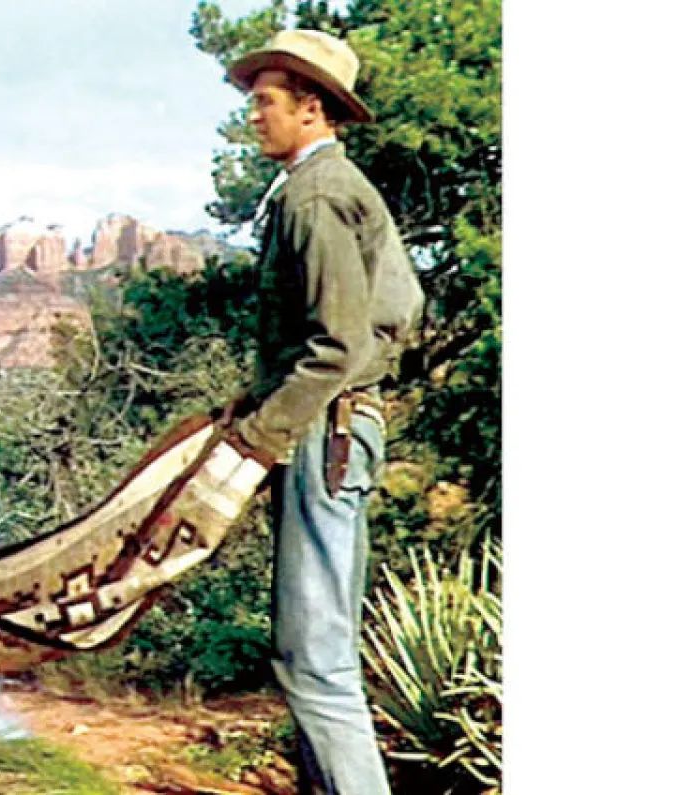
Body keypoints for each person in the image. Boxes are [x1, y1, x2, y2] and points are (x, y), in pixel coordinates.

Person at [221, 30, 425, 794]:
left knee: (313, 656)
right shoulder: (329, 187)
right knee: (316, 649)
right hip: (337, 427)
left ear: (311, 108)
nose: (253, 116)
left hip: (323, 430)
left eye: (265, 101)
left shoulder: (315, 194)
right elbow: (401, 302)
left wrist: (262, 432)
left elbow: (335, 343)